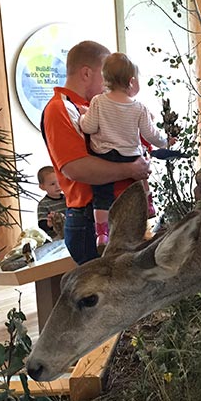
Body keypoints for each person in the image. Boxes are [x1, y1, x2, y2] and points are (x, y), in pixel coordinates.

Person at [40, 41, 151, 265]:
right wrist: (130, 168)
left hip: (123, 207)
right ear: (87, 73)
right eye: (107, 76)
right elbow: (76, 167)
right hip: (90, 216)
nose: (111, 85)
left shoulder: (101, 105)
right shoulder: (60, 108)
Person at [79, 52, 174, 246]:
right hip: (130, 156)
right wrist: (166, 142)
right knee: (141, 178)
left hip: (104, 156)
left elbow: (88, 127)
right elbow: (151, 135)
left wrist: (83, 116)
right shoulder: (139, 108)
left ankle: (102, 234)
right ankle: (148, 206)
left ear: (105, 80)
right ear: (131, 81)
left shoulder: (98, 102)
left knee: (102, 195)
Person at [36, 165, 67, 239]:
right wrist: (49, 224)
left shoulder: (67, 198)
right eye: (52, 184)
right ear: (42, 187)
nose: (58, 186)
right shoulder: (43, 204)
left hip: (71, 232)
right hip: (55, 237)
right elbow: (41, 224)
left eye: (59, 182)